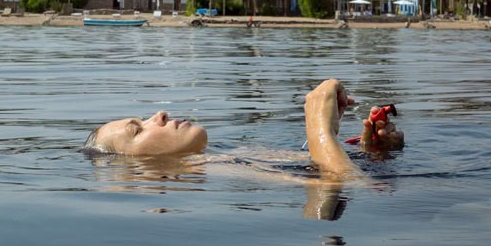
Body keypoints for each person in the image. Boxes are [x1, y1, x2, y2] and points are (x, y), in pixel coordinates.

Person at [83, 78, 403, 178]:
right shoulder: (215, 169)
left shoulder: (225, 157)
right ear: (139, 167)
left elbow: (321, 171)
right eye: (137, 130)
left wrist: (371, 152)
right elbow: (336, 188)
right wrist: (316, 122)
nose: (160, 114)